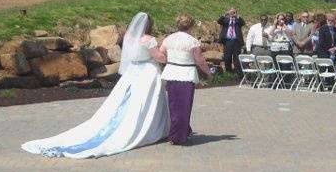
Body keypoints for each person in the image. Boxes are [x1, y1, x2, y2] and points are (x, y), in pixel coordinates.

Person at [21, 12, 170, 158]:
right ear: (149, 25)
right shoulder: (149, 39)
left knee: (126, 102)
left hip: (132, 72)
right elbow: (160, 58)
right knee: (147, 101)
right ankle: (151, 128)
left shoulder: (129, 37)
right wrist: (165, 51)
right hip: (147, 73)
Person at [160, 14, 213, 145]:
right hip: (186, 74)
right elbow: (200, 60)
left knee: (174, 106)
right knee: (184, 106)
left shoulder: (168, 39)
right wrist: (208, 73)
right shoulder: (192, 41)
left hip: (171, 73)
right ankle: (179, 136)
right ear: (191, 26)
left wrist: (171, 60)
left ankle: (179, 132)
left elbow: (161, 53)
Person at [218, 7, 245, 78]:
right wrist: (225, 14)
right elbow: (219, 21)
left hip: (236, 41)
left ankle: (238, 74)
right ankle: (229, 72)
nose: (232, 14)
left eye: (233, 12)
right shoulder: (226, 20)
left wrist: (237, 16)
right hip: (227, 41)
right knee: (227, 58)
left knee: (236, 59)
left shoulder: (237, 20)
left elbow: (243, 23)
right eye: (231, 12)